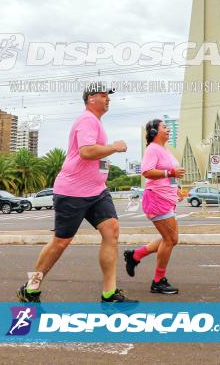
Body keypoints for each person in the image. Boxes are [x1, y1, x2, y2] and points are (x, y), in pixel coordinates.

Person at [17, 82, 135, 303]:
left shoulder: (96, 123)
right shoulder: (86, 120)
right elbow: (87, 151)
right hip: (73, 192)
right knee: (60, 242)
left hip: (97, 191)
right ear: (91, 99)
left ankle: (109, 292)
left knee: (112, 231)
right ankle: (31, 287)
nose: (108, 99)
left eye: (109, 96)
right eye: (104, 95)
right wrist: (114, 147)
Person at [123, 118, 185, 294]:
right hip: (157, 199)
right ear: (154, 132)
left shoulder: (165, 151)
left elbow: (169, 176)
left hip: (167, 198)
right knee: (171, 239)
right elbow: (146, 171)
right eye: (164, 127)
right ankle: (158, 281)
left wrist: (177, 189)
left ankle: (135, 255)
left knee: (170, 238)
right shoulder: (152, 149)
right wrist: (170, 172)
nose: (168, 130)